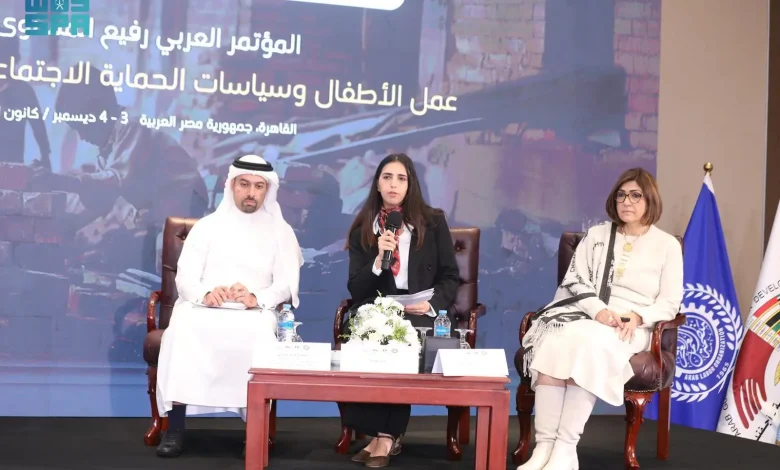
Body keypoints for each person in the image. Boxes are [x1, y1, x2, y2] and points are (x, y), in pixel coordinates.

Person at [518, 167, 683, 470]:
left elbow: (670, 303)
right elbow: (575, 281)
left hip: (633, 327)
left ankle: (565, 449)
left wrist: (637, 316)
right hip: (589, 316)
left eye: (635, 195)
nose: (627, 201)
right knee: (556, 338)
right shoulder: (597, 236)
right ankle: (544, 447)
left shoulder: (667, 245)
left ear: (650, 199)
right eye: (621, 195)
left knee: (588, 344)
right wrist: (599, 311)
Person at [154, 155, 304, 458]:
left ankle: (256, 432)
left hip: (254, 312)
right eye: (244, 184)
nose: (251, 192)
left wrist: (256, 297)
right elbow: (185, 279)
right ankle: (175, 429)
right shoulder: (207, 227)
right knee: (181, 329)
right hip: (203, 309)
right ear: (231, 185)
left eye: (258, 186)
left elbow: (286, 284)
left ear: (267, 190)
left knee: (260, 334)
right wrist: (206, 293)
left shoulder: (281, 232)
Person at [341, 153, 460, 468]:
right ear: (377, 184)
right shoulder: (362, 228)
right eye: (387, 177)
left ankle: (386, 436)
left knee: (401, 338)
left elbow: (450, 276)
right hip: (377, 305)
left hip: (420, 307)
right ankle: (380, 434)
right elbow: (356, 289)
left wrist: (432, 304)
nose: (393, 184)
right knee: (368, 332)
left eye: (401, 178)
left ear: (411, 185)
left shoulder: (433, 222)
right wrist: (378, 259)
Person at [0, 37, 51, 169]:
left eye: (6, 62)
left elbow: (39, 128)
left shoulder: (23, 91)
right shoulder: (23, 90)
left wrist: (45, 157)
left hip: (11, 168)